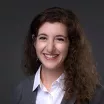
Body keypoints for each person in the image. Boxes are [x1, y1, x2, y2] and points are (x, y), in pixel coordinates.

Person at [12, 7, 104, 104]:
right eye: (43, 38)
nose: (50, 48)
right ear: (35, 42)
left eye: (59, 39)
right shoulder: (20, 91)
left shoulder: (96, 95)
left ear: (71, 44)